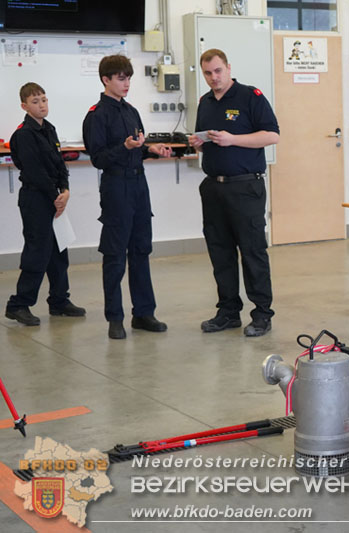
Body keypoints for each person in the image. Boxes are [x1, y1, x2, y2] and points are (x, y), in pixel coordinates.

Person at [188, 49, 280, 337]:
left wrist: (233, 140)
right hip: (214, 186)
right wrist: (199, 143)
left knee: (252, 251)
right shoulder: (204, 102)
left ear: (228, 68)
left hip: (245, 186)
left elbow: (272, 134)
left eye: (217, 71)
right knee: (220, 252)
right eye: (207, 73)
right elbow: (204, 137)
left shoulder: (250, 96)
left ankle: (262, 314)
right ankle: (228, 312)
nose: (213, 78)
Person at [83, 55, 172, 340]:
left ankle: (144, 313)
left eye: (129, 78)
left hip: (138, 185)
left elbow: (137, 146)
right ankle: (115, 317)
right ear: (106, 80)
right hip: (116, 187)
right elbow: (98, 158)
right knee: (115, 255)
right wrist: (124, 147)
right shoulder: (97, 115)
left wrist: (151, 149)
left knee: (141, 250)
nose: (126, 84)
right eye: (121, 78)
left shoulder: (132, 111)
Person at [5, 82, 85, 326]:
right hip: (36, 198)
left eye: (44, 100)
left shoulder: (49, 129)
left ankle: (59, 301)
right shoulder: (23, 134)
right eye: (35, 101)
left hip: (54, 197)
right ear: (24, 106)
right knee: (37, 252)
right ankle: (18, 305)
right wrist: (55, 195)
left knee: (59, 252)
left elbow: (59, 164)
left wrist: (65, 190)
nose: (41, 105)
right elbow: (35, 171)